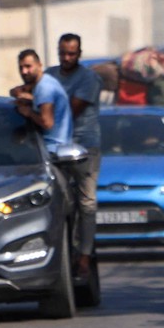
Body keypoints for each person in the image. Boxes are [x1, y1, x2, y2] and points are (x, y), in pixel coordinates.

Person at [49, 34, 102, 279]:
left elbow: (70, 110)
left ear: (79, 54)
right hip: (54, 149)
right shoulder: (49, 76)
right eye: (63, 53)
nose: (67, 58)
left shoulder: (88, 78)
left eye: (71, 53)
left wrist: (41, 106)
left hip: (84, 147)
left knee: (87, 203)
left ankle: (84, 255)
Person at [11, 48, 71, 151]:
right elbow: (14, 91)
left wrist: (28, 112)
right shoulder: (43, 83)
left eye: (28, 66)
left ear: (39, 65)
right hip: (48, 149)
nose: (24, 71)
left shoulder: (44, 88)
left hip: (53, 152)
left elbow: (47, 122)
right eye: (21, 68)